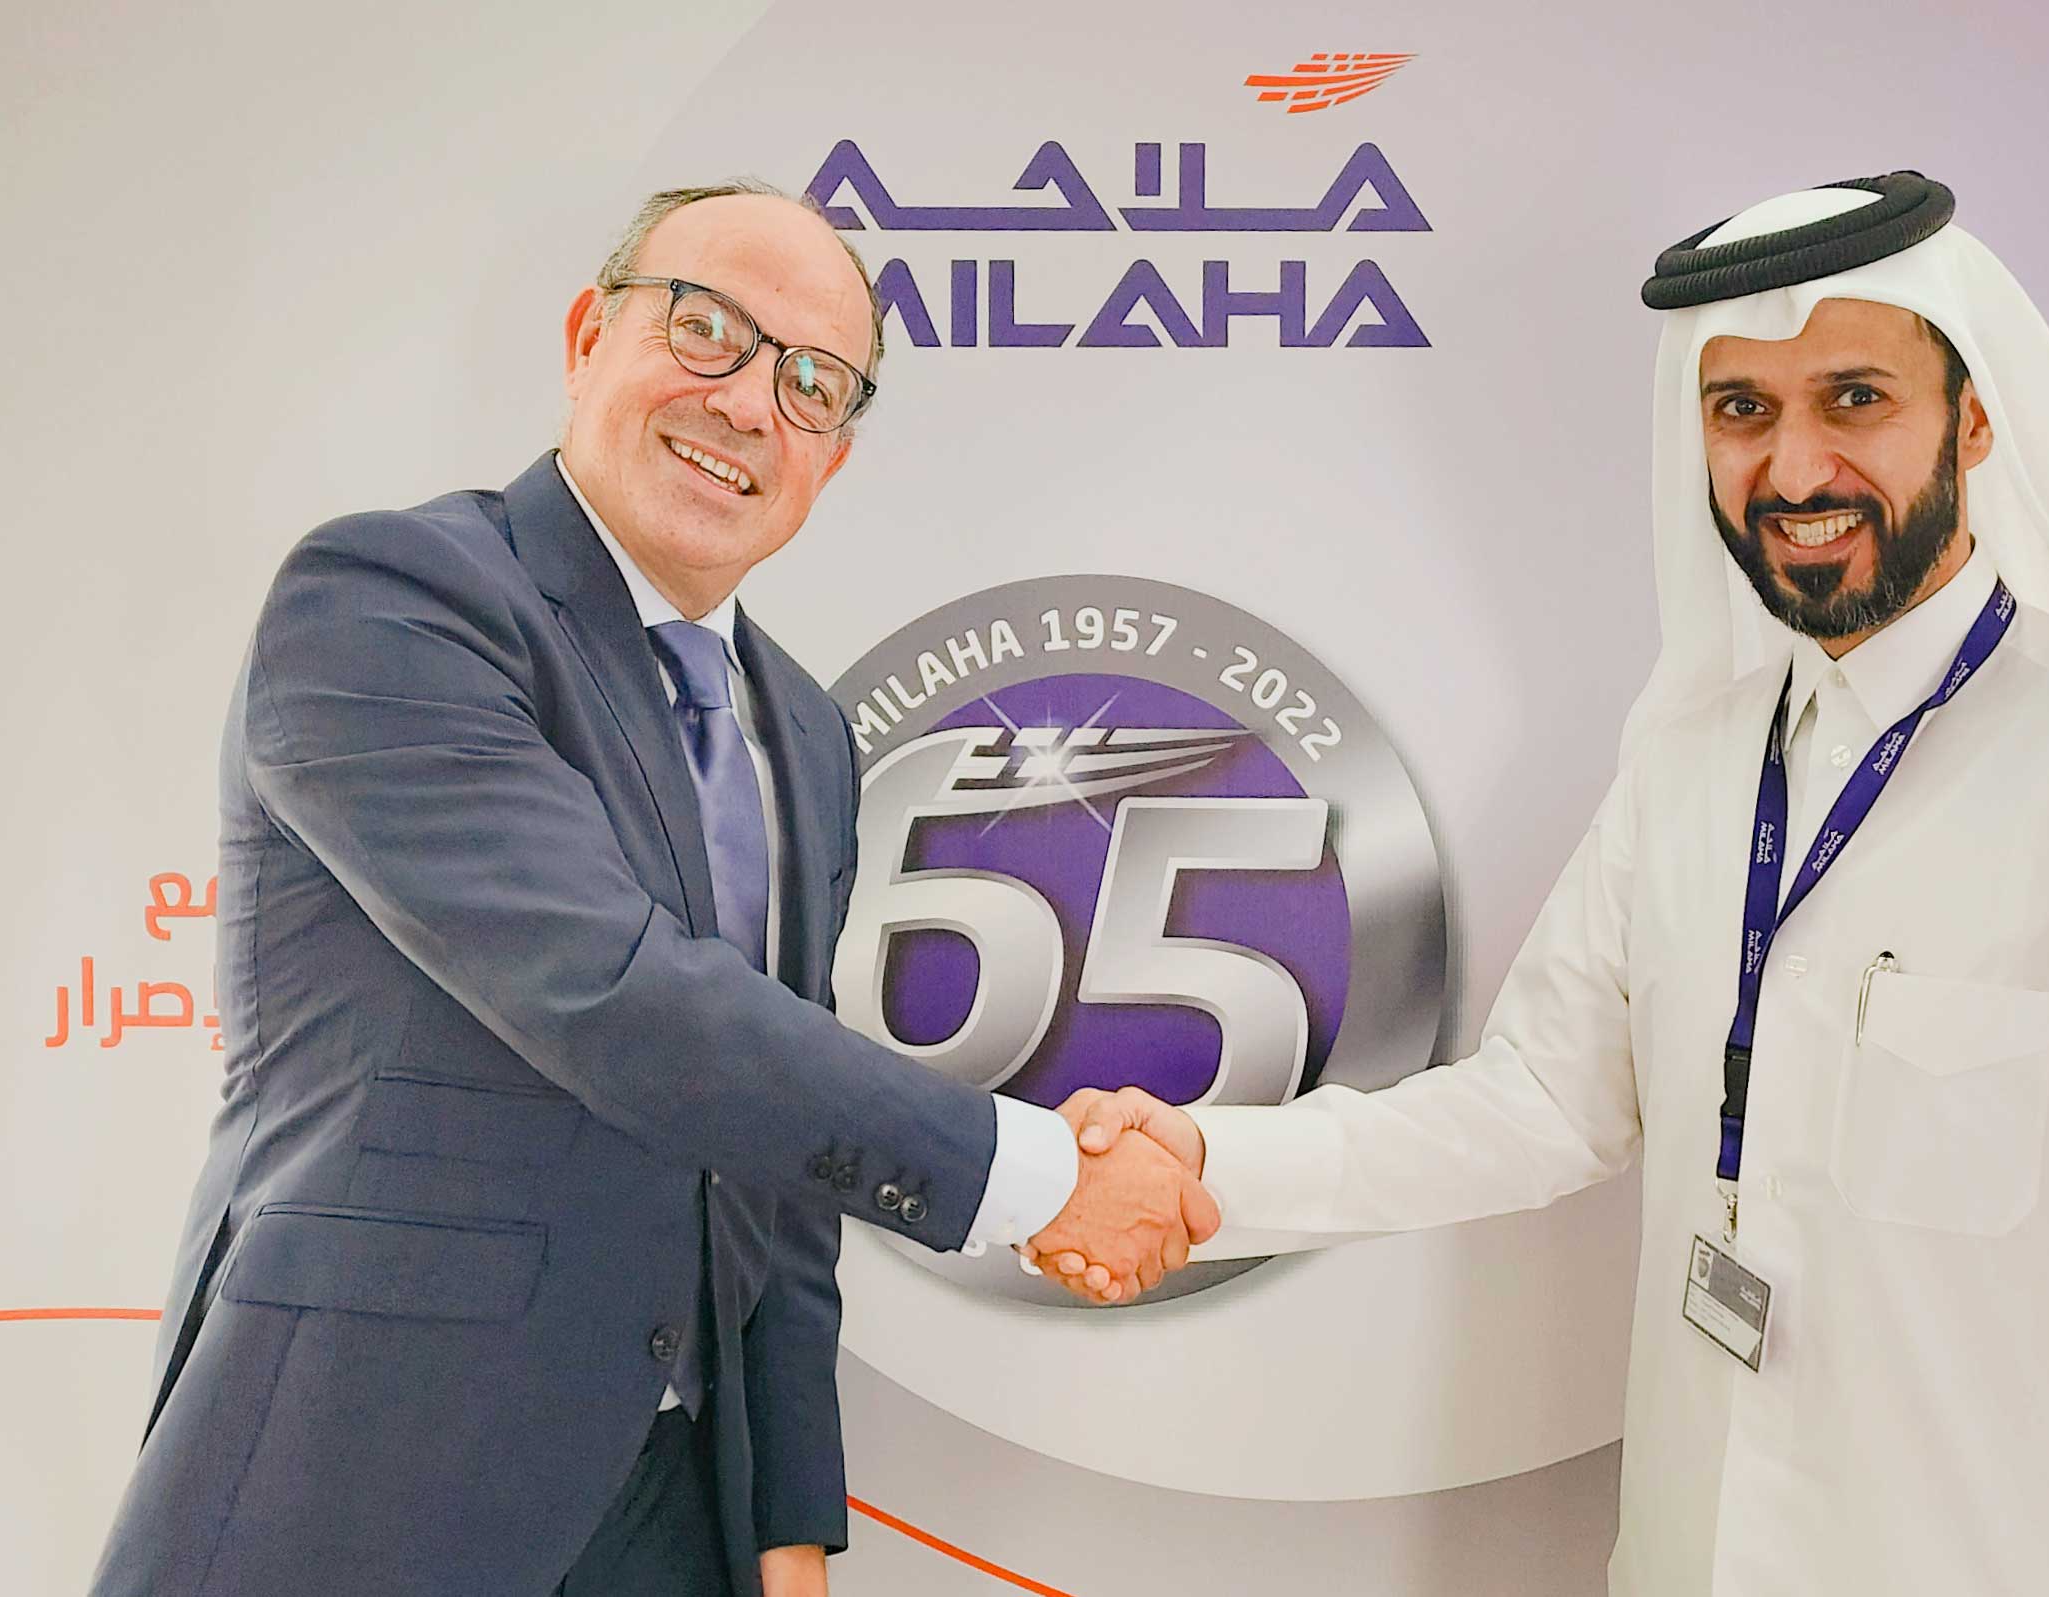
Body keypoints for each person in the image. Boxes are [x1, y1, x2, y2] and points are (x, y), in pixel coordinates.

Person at [1032, 175, 2049, 1595]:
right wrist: (1209, 1163)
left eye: (1855, 399)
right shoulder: (1693, 764)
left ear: (1972, 420)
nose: (1793, 470)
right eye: (1742, 411)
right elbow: (1540, 1099)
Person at [87, 181, 1215, 1597]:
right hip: (362, 1478)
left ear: (832, 462)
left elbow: (776, 1160)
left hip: (674, 1516)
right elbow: (612, 993)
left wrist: (785, 1520)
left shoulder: (804, 731)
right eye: (707, 330)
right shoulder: (391, 598)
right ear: (587, 336)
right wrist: (1036, 1176)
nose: (748, 404)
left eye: (812, 384)